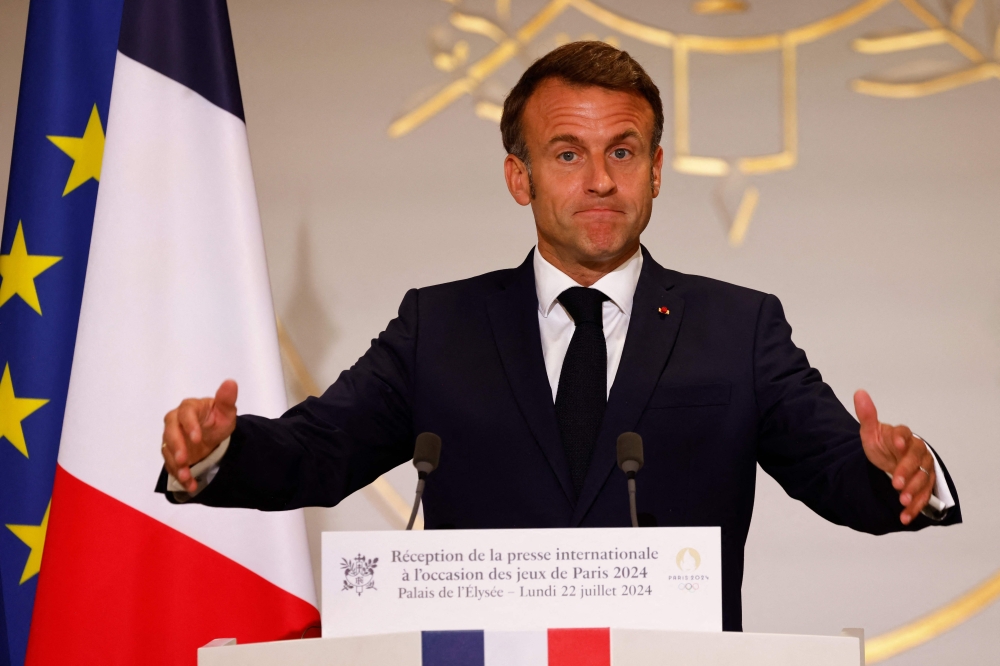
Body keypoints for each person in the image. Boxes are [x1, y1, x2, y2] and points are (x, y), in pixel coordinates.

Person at [157, 41, 960, 630]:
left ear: (655, 170)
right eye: (568, 153)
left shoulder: (738, 327)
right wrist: (220, 451)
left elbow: (835, 470)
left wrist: (902, 474)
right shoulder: (440, 327)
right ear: (520, 177)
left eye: (624, 151)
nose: (601, 178)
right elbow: (322, 449)